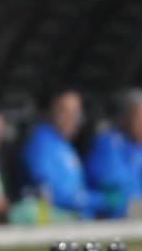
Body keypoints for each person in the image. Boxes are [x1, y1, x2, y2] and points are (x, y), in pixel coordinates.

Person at [22, 88, 118, 218]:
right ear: (50, 112)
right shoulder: (41, 144)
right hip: (57, 220)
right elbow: (49, 193)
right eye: (65, 112)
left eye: (76, 112)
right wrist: (100, 201)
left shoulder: (64, 143)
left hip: (78, 217)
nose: (72, 118)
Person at [85, 89, 142, 219]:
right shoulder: (108, 144)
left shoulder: (141, 150)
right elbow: (115, 196)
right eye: (140, 120)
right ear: (124, 119)